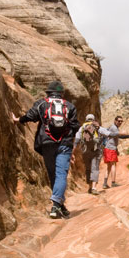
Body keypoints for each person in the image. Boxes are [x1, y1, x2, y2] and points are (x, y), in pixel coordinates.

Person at [12, 80, 80, 219]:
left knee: (53, 174)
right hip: (64, 143)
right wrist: (71, 147)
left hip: (47, 142)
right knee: (61, 174)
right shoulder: (70, 106)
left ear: (48, 93)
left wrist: (18, 120)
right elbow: (75, 127)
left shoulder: (42, 103)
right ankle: (58, 205)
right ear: (62, 94)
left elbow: (30, 116)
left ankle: (57, 205)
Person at [100, 115, 129, 189]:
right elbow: (120, 136)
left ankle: (105, 184)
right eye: (119, 121)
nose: (120, 122)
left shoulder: (113, 127)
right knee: (113, 165)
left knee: (109, 166)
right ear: (115, 121)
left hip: (108, 148)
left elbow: (117, 137)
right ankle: (113, 183)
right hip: (110, 149)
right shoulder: (114, 128)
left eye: (121, 121)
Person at [74, 114, 103, 194]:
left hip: (85, 151)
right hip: (95, 150)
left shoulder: (82, 127)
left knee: (88, 169)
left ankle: (89, 187)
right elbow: (105, 134)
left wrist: (74, 148)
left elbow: (77, 138)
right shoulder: (96, 126)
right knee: (95, 168)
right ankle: (94, 187)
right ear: (93, 119)